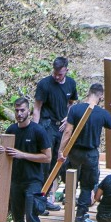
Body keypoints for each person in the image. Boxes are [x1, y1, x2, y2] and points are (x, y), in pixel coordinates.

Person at [0, 96, 52, 222]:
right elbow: (8, 155)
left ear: (29, 111)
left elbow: (47, 157)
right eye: (17, 110)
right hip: (15, 180)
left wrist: (22, 155)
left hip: (33, 181)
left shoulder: (38, 131)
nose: (19, 114)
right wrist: (1, 152)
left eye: (22, 110)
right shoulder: (11, 130)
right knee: (17, 217)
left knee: (31, 216)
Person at [58, 83, 111, 222]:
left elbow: (68, 132)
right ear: (101, 96)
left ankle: (68, 211)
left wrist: (61, 150)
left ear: (89, 93)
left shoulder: (75, 109)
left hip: (74, 152)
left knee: (72, 181)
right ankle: (80, 216)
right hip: (91, 154)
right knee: (86, 186)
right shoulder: (102, 113)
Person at [32, 56, 79, 206]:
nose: (57, 77)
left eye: (60, 74)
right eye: (55, 73)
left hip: (62, 126)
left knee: (58, 161)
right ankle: (41, 196)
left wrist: (68, 117)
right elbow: (37, 108)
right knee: (46, 160)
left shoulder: (71, 83)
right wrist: (35, 130)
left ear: (66, 70)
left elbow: (71, 103)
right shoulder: (44, 84)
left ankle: (49, 194)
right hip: (47, 124)